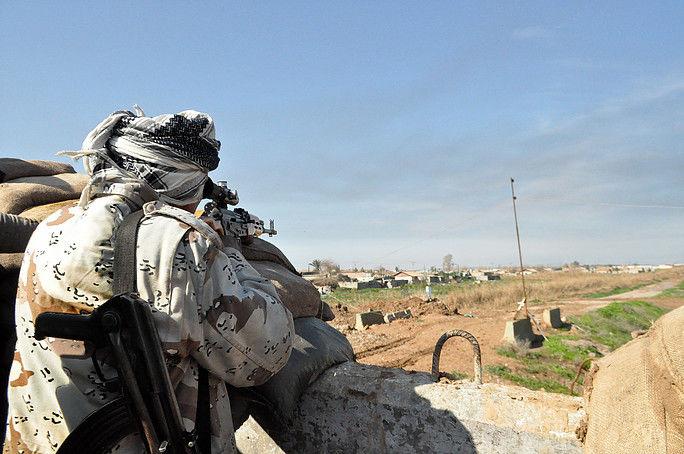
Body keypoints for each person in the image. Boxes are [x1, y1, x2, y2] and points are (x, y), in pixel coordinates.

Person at [4, 109, 294, 453]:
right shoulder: (180, 246)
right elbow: (266, 354)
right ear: (186, 180)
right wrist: (228, 253)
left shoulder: (51, 226)